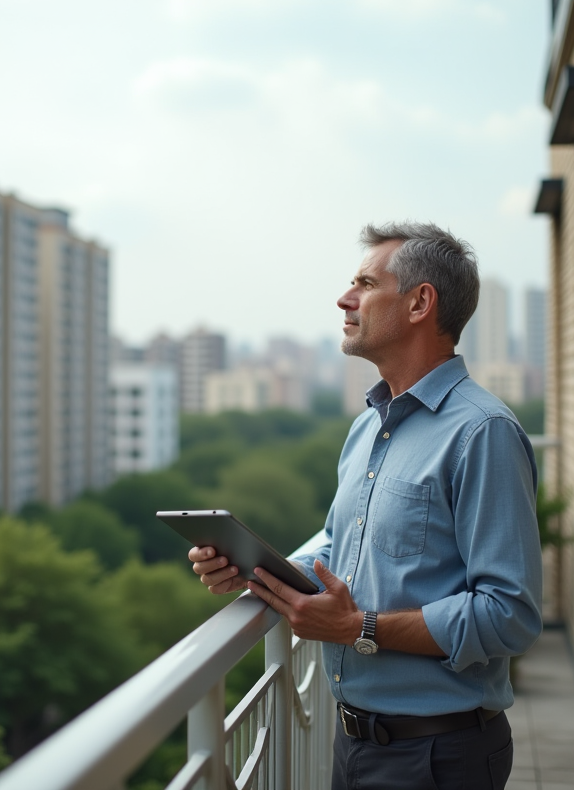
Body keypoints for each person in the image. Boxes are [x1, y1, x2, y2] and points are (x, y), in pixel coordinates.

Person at [189, 221, 542, 790]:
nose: (343, 298)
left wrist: (361, 627)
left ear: (420, 302)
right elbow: (338, 552)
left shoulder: (483, 433)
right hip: (352, 743)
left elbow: (510, 614)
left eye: (364, 283)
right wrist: (253, 569)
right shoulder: (365, 429)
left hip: (438, 755)